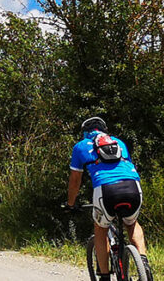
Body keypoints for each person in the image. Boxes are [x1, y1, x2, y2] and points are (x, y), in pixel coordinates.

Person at [64, 117, 150, 281]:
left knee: (100, 230)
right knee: (132, 224)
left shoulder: (80, 146)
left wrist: (71, 204)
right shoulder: (119, 143)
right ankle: (144, 266)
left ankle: (104, 276)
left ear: (84, 133)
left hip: (106, 190)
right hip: (133, 187)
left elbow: (75, 180)